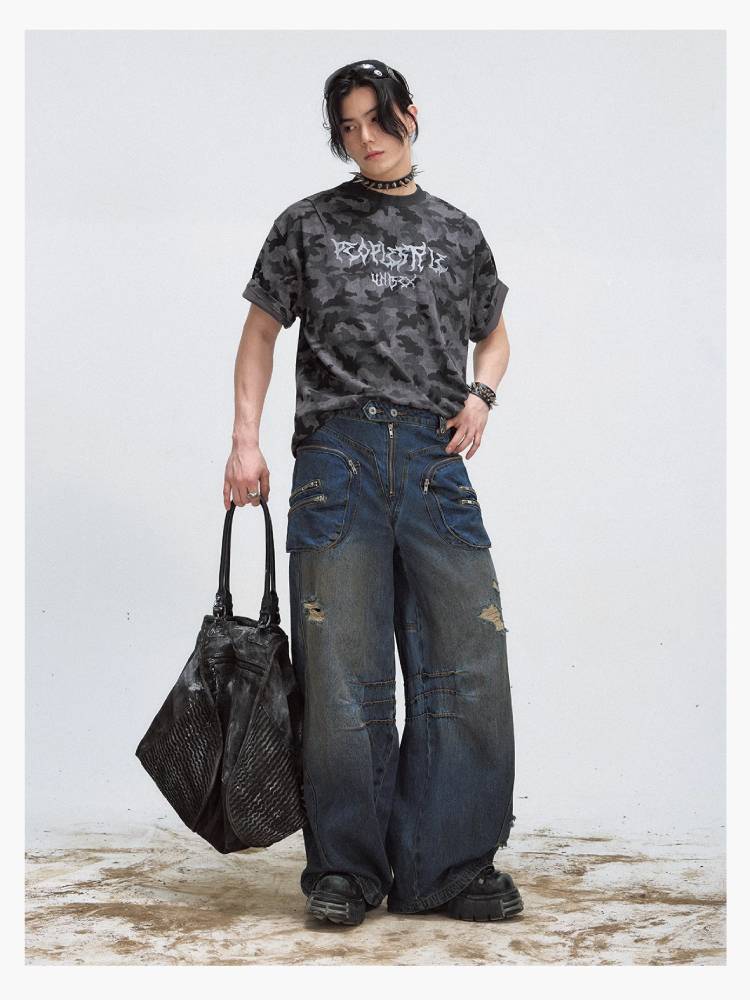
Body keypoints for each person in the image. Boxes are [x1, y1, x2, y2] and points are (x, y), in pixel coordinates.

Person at [223, 59, 522, 927]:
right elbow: (259, 334)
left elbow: (496, 336)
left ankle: (447, 868)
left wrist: (481, 394)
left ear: (409, 113)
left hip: (434, 461)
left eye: (376, 120)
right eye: (348, 127)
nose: (364, 139)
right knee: (342, 676)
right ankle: (347, 872)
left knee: (467, 664)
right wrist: (245, 439)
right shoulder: (306, 223)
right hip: (337, 460)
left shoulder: (458, 231)